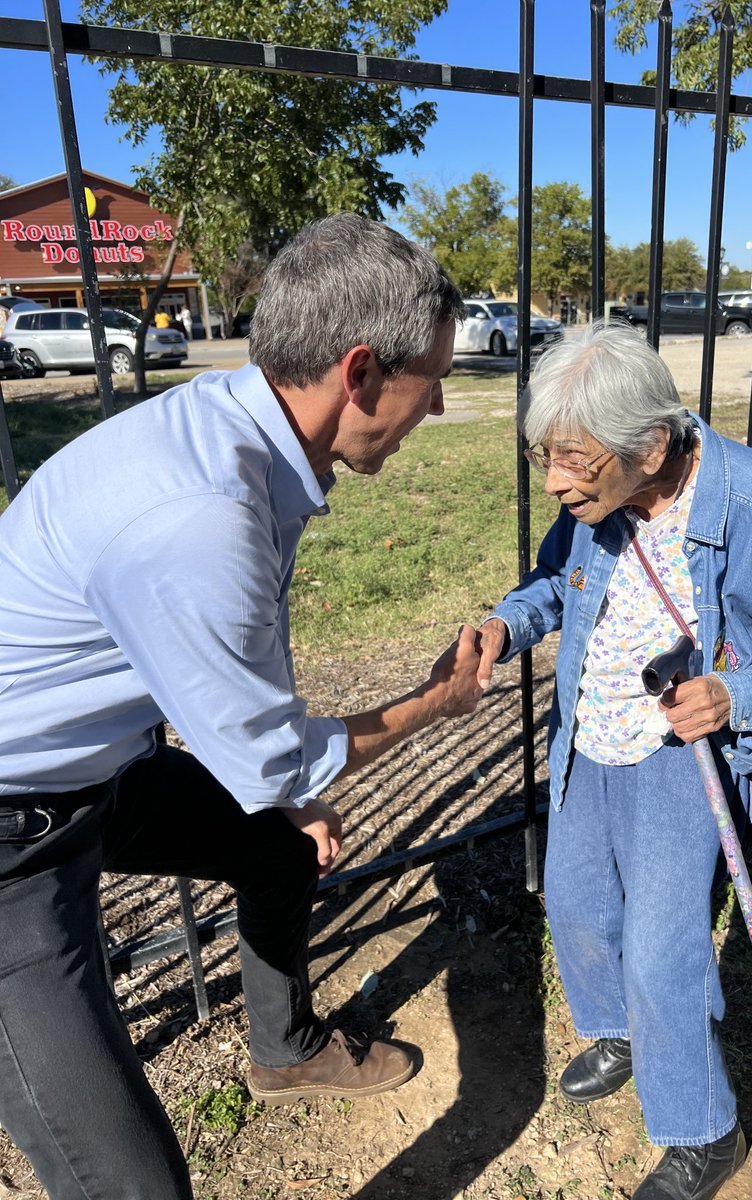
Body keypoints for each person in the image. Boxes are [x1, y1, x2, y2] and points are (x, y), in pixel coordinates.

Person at [0, 212, 483, 1200]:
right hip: (14, 834)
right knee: (134, 1188)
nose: (435, 407)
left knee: (275, 844)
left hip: (103, 771)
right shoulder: (201, 514)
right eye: (431, 378)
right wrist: (437, 701)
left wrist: (285, 796)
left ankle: (287, 1048)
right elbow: (276, 761)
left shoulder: (241, 426)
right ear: (359, 372)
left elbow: (239, 703)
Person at [475, 321, 752, 1200]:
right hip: (588, 737)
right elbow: (555, 581)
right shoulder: (591, 501)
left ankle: (704, 1128)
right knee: (578, 907)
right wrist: (510, 624)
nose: (553, 481)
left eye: (574, 462)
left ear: (651, 445)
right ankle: (622, 1031)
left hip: (678, 760)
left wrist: (742, 696)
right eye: (548, 455)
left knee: (664, 952)